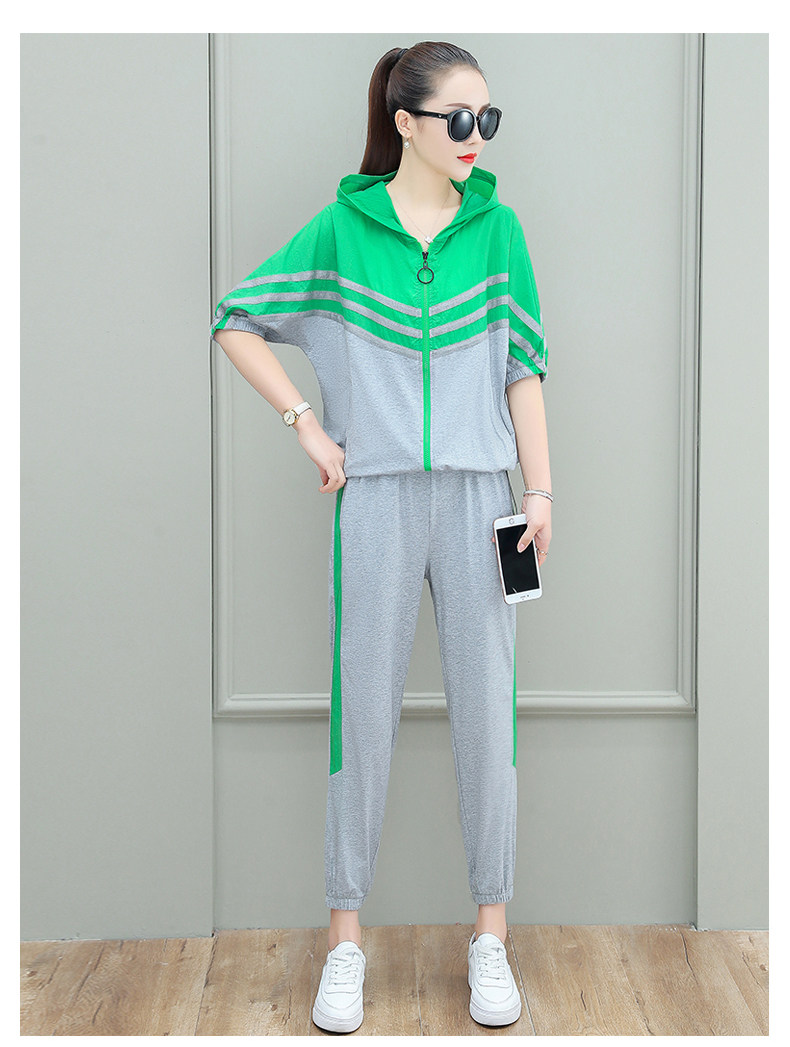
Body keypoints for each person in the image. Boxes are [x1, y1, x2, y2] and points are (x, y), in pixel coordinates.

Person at [210, 40, 552, 1034]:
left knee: (489, 716)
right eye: (460, 119)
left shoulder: (499, 231)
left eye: (489, 120)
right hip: (378, 499)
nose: (477, 138)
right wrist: (306, 426)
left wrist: (540, 488)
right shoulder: (341, 230)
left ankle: (491, 935)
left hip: (486, 498)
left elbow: (523, 368)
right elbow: (236, 319)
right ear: (405, 122)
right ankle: (345, 943)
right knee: (361, 713)